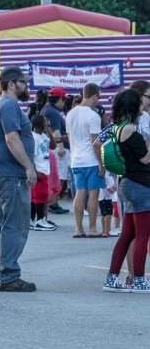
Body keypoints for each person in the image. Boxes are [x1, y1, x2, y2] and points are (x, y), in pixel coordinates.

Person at [0, 66, 37, 292]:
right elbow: (11, 139)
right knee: (14, 226)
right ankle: (9, 276)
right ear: (11, 84)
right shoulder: (8, 105)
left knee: (4, 225)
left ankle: (1, 274)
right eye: (23, 82)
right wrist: (28, 166)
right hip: (10, 174)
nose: (26, 85)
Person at [103, 89, 150, 293]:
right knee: (142, 235)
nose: (143, 106)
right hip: (140, 185)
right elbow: (145, 159)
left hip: (127, 184)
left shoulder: (117, 127)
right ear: (133, 105)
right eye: (140, 103)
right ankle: (139, 280)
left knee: (127, 234)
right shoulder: (130, 129)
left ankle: (112, 278)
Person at [65, 83, 103, 237]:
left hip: (76, 159)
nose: (98, 100)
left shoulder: (70, 114)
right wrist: (101, 163)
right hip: (91, 160)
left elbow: (70, 138)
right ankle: (92, 228)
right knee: (93, 193)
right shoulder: (93, 115)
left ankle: (78, 228)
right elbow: (96, 142)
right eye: (98, 97)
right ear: (94, 95)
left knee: (80, 192)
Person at [41, 87, 71, 215]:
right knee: (60, 177)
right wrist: (61, 148)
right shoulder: (53, 112)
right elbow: (56, 132)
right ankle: (53, 203)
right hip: (59, 149)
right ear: (59, 99)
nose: (64, 103)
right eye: (63, 100)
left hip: (51, 148)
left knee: (56, 177)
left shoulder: (46, 109)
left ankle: (52, 203)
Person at [30, 115, 57, 231]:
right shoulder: (34, 138)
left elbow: (53, 146)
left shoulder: (43, 136)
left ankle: (31, 219)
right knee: (40, 195)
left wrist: (49, 133)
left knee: (37, 196)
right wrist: (34, 171)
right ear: (41, 124)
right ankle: (40, 220)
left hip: (45, 170)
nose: (47, 124)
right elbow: (31, 156)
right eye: (45, 122)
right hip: (39, 170)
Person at [99, 172, 116, 238]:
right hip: (103, 194)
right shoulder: (103, 169)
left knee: (108, 213)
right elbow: (101, 180)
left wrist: (114, 188)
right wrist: (109, 188)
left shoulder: (111, 170)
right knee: (106, 214)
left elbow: (115, 179)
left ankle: (106, 230)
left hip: (109, 195)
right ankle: (105, 230)